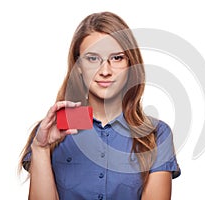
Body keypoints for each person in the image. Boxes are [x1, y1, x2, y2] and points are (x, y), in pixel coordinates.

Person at [19, 11, 180, 200]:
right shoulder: (49, 132)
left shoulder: (156, 135)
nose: (105, 71)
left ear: (130, 64)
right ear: (78, 66)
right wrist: (41, 148)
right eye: (93, 58)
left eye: (117, 58)